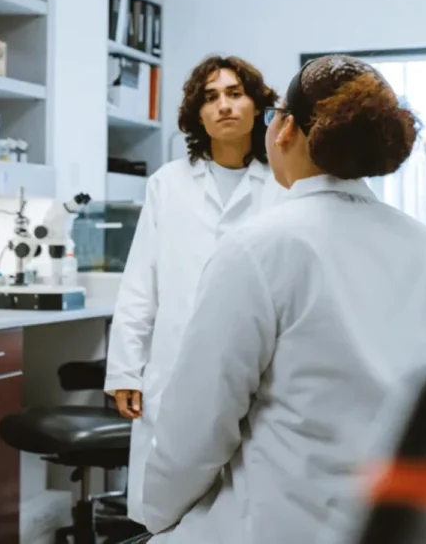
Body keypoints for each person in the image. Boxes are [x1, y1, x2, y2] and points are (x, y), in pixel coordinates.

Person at [138, 55, 426, 543]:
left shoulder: (260, 245)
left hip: (276, 521)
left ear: (284, 129)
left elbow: (196, 428)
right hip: (388, 522)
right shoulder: (424, 244)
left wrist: (156, 517)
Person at [104, 55, 284, 525]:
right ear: (197, 115)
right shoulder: (169, 184)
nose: (223, 105)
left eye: (234, 93)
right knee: (169, 509)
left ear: (257, 106)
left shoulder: (283, 186)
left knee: (245, 503)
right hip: (175, 364)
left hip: (261, 370)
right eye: (210, 97)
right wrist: (125, 370)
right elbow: (141, 282)